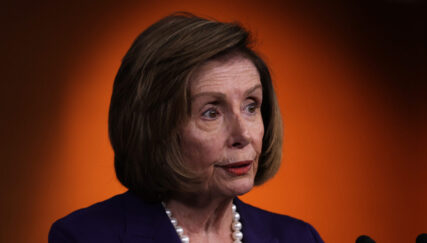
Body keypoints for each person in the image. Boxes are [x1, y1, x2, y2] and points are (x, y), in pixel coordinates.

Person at [49, 12, 324, 243]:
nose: (244, 135)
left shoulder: (297, 237)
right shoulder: (84, 236)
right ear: (156, 128)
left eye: (251, 106)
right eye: (211, 112)